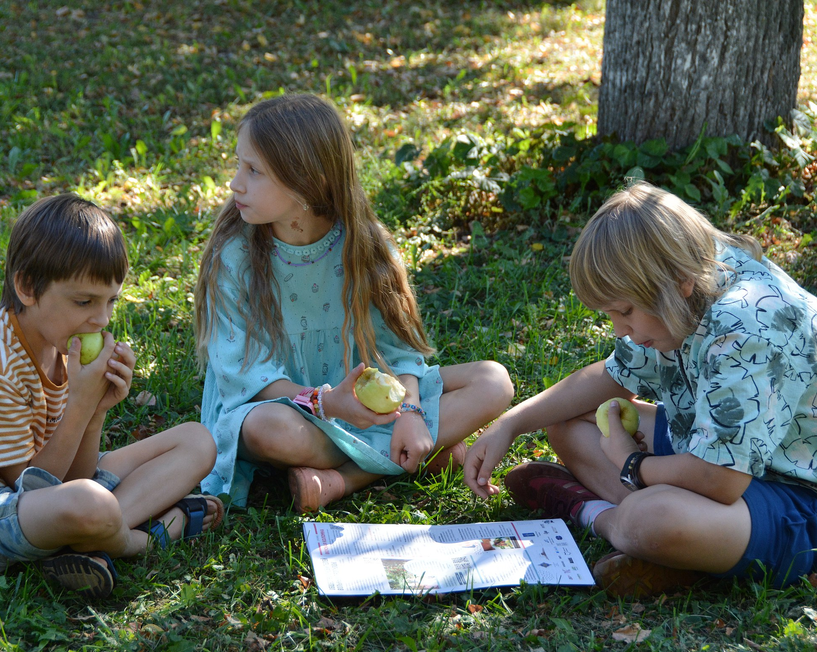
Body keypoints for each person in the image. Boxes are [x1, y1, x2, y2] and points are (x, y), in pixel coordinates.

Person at [463, 181, 817, 598]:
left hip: (796, 493)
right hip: (719, 451)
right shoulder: (690, 282)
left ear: (679, 282)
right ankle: (677, 552)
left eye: (625, 311)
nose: (619, 330)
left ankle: (597, 515)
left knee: (654, 519)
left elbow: (720, 479)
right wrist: (512, 423)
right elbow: (611, 377)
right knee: (568, 421)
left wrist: (632, 464)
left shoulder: (748, 325)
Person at [194, 93, 513, 511]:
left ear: (307, 181)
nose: (236, 182)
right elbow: (249, 380)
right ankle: (420, 452)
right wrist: (328, 404)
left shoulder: (364, 246)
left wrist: (413, 411)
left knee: (494, 381)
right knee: (268, 430)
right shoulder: (234, 257)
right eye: (240, 165)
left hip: (366, 399)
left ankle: (344, 480)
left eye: (254, 170)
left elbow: (396, 350)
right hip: (287, 408)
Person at [0, 194, 222, 599]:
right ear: (27, 287)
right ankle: (139, 540)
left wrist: (95, 411)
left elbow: (73, 477)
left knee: (197, 440)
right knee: (89, 504)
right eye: (84, 301)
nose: (101, 319)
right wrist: (81, 405)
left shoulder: (54, 340)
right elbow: (32, 490)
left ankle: (89, 537)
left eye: (110, 302)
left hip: (47, 490)